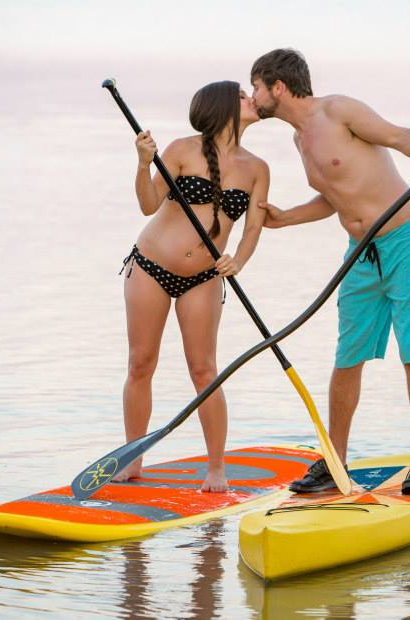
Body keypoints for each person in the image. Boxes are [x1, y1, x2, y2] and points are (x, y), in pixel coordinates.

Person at [250, 49, 410, 495]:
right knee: (347, 356)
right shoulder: (299, 140)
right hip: (361, 254)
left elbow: (396, 136)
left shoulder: (339, 110)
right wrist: (286, 217)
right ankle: (335, 462)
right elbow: (336, 195)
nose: (253, 95)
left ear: (278, 86)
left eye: (256, 86)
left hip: (407, 241)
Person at [116, 80, 269, 492]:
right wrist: (143, 163)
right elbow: (149, 204)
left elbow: (253, 228)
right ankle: (132, 459)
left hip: (205, 277)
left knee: (204, 371)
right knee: (140, 363)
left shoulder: (257, 169)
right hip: (149, 266)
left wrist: (239, 259)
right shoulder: (181, 150)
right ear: (222, 107)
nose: (251, 100)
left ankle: (216, 468)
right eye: (242, 95)